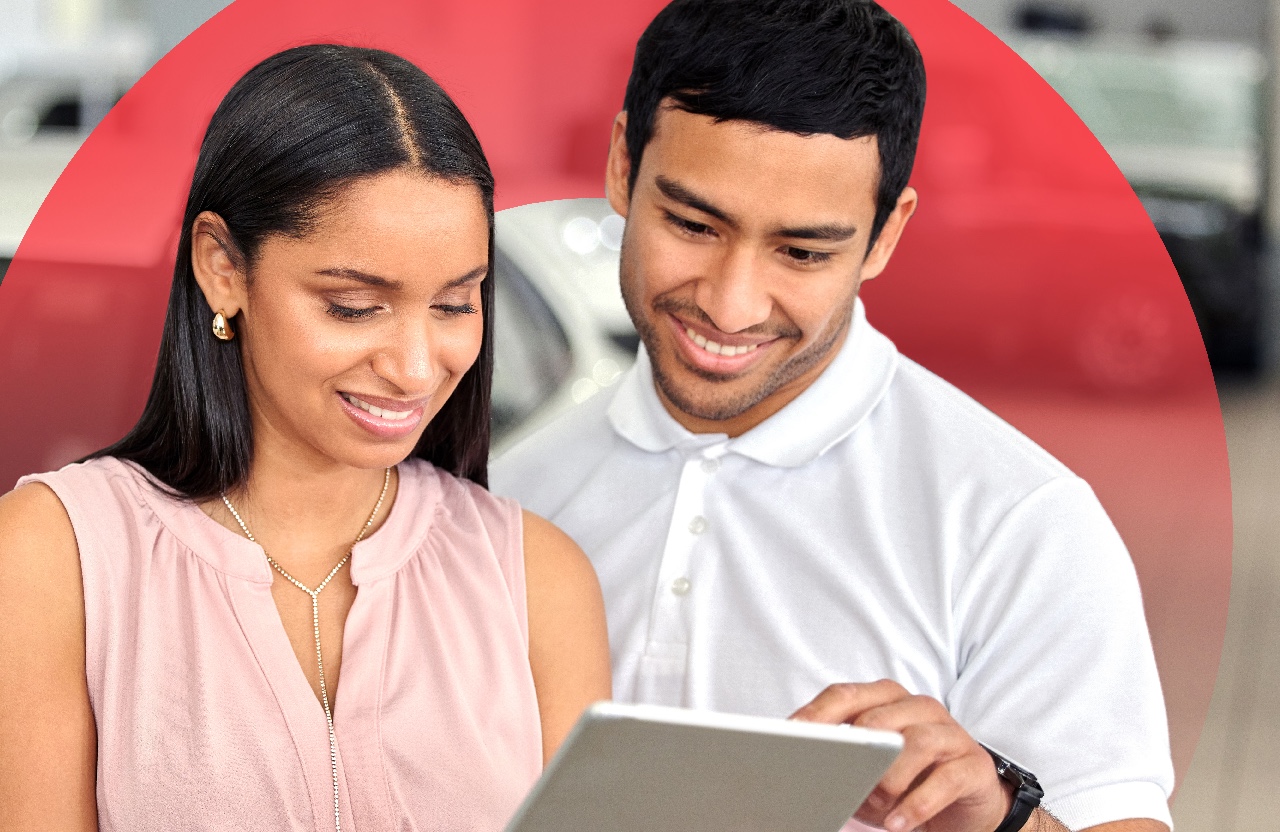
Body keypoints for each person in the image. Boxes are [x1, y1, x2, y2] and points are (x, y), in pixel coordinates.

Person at [491, 2, 1173, 831]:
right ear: (622, 164)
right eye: (693, 224)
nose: (731, 304)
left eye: (803, 252)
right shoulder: (504, 494)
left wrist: (998, 817)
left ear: (886, 236)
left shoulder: (1018, 521)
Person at [0, 45, 610, 832]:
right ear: (222, 267)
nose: (417, 367)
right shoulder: (50, 562)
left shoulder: (537, 581)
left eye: (456, 304)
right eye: (355, 307)